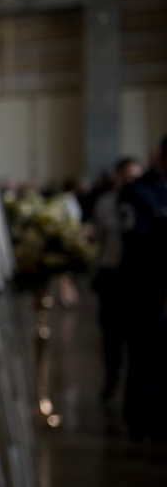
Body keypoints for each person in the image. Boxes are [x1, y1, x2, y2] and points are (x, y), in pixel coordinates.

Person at [118, 135, 167, 439]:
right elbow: (137, 244)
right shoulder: (136, 192)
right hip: (145, 288)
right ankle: (140, 417)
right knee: (144, 352)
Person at [91, 156, 142, 401]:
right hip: (112, 274)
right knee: (111, 333)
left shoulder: (144, 201)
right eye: (127, 175)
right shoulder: (106, 203)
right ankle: (112, 376)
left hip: (137, 278)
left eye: (135, 176)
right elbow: (100, 235)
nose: (131, 180)